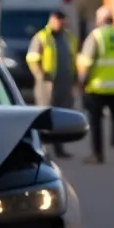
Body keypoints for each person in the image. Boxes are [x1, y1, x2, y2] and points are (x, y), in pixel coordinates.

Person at [78, 5, 114, 164]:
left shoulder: (96, 36)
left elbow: (87, 62)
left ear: (100, 20)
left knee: (96, 123)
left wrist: (82, 82)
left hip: (98, 87)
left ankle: (98, 154)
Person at [25, 9, 79, 158]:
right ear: (52, 20)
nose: (62, 24)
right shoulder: (42, 37)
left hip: (64, 83)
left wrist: (75, 80)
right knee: (45, 117)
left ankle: (59, 148)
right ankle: (42, 150)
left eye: (64, 21)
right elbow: (32, 58)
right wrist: (41, 75)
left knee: (60, 118)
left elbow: (73, 60)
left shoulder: (68, 38)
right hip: (47, 85)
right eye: (59, 21)